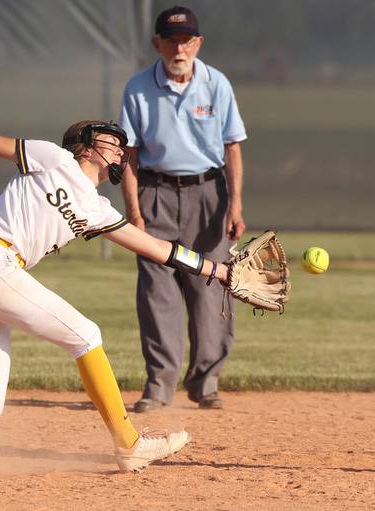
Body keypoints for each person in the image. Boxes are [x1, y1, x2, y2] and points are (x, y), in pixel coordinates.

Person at [0, 84, 233, 473]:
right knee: (85, 335)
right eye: (111, 139)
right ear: (85, 147)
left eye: (123, 144)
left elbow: (154, 247)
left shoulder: (98, 209)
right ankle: (129, 444)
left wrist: (219, 271)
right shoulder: (54, 158)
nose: (120, 146)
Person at [118, 5, 247, 412]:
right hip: (155, 193)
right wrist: (135, 213)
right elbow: (129, 155)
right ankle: (159, 386)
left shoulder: (216, 84)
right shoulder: (138, 88)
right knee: (158, 292)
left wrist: (235, 204)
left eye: (187, 39)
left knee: (210, 287)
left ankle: (206, 383)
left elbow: (232, 147)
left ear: (198, 43)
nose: (180, 47)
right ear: (156, 43)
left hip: (208, 194)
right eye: (171, 40)